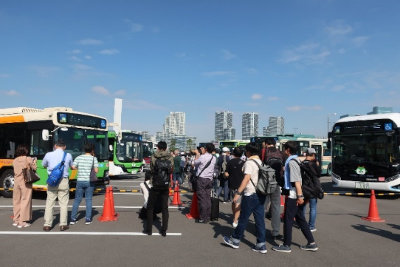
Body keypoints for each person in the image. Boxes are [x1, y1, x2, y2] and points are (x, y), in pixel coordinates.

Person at [272, 141, 318, 252]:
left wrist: (300, 196)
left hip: (294, 194)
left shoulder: (292, 162)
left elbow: (296, 180)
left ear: (288, 150)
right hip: (297, 193)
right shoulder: (296, 159)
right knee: (300, 218)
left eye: (284, 149)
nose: (283, 151)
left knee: (288, 219)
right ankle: (311, 243)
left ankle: (286, 245)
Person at [223, 142, 267, 254]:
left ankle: (235, 240)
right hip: (260, 194)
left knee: (243, 218)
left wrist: (238, 192)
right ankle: (261, 244)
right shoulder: (260, 162)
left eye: (246, 150)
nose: (245, 152)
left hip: (250, 194)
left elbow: (246, 179)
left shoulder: (250, 162)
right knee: (260, 220)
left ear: (249, 151)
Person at [42, 140, 73, 231]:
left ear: (55, 146)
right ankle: (63, 224)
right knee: (63, 203)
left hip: (52, 180)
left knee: (50, 202)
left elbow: (43, 164)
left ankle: (47, 224)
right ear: (65, 147)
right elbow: (71, 166)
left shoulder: (48, 154)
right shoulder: (68, 155)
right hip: (63, 180)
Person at [145, 141, 174, 236]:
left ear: (158, 147)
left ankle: (149, 230)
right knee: (164, 208)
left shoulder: (154, 156)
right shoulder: (170, 157)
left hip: (155, 184)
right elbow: (171, 170)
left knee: (150, 207)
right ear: (165, 148)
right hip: (165, 185)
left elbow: (152, 169)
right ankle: (164, 230)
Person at [70, 143, 98, 225]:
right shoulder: (93, 158)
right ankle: (88, 219)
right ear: (92, 150)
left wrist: (79, 168)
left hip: (80, 181)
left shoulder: (79, 157)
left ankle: (73, 218)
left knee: (77, 200)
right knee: (88, 200)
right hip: (89, 181)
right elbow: (96, 171)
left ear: (84, 149)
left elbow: (73, 167)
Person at [263, 138, 284, 240]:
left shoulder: (263, 152)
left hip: (265, 183)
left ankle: (260, 228)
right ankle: (275, 232)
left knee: (262, 206)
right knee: (276, 207)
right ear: (275, 144)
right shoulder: (280, 153)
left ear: (266, 144)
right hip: (277, 183)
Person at [12, 144, 37, 228]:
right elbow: (34, 168)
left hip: (16, 181)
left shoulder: (15, 160)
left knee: (16, 200)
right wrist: (34, 162)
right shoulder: (28, 159)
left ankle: (16, 219)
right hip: (25, 181)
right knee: (25, 200)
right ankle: (22, 221)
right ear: (26, 151)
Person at [194, 143, 216, 223]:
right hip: (209, 179)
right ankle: (207, 215)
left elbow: (194, 163)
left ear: (206, 149)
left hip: (202, 179)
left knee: (202, 198)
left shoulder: (202, 157)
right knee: (207, 198)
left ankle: (203, 217)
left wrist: (197, 154)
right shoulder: (213, 158)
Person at [224, 147, 245, 228]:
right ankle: (235, 220)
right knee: (238, 203)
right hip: (241, 185)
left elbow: (226, 174)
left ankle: (235, 217)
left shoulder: (230, 162)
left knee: (234, 202)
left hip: (232, 184)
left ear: (233, 153)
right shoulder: (243, 162)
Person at [302, 148, 321, 232]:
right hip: (313, 188)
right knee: (313, 207)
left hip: (303, 188)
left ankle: (301, 224)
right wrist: (317, 165)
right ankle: (311, 226)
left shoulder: (301, 163)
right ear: (313, 155)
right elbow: (318, 175)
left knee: (302, 207)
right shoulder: (313, 164)